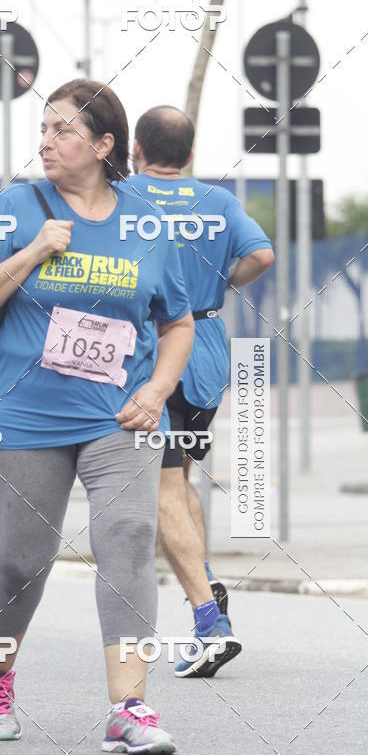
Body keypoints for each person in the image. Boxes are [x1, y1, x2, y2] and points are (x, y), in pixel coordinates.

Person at [0, 81, 194, 754]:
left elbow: (176, 323)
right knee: (25, 562)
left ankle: (130, 709)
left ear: (104, 144)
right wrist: (31, 253)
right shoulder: (19, 207)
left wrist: (158, 391)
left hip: (120, 415)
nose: (46, 142)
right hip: (23, 418)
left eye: (62, 131)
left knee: (129, 537)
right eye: (44, 129)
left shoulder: (146, 221)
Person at [127, 105, 274, 677]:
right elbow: (261, 254)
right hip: (208, 352)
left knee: (158, 487)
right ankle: (204, 573)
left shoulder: (121, 197)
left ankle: (209, 621)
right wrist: (219, 286)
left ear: (136, 149)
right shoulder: (216, 201)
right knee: (177, 473)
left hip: (150, 352)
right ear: (190, 155)